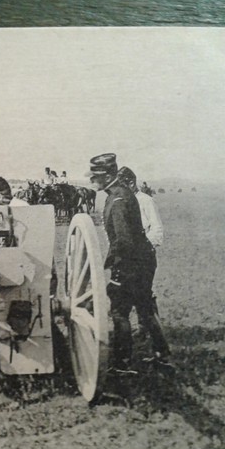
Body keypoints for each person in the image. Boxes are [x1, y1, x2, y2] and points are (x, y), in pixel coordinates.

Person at [86, 153, 172, 375]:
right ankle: (163, 355)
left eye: (95, 177)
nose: (91, 181)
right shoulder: (119, 194)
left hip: (130, 263)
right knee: (144, 307)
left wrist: (116, 271)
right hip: (142, 260)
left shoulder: (118, 200)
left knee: (119, 311)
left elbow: (124, 240)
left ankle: (123, 363)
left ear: (106, 176)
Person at [118, 166, 165, 345]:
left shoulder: (145, 201)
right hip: (126, 257)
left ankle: (154, 336)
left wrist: (143, 247)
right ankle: (142, 329)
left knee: (144, 294)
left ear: (131, 182)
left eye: (123, 186)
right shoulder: (123, 202)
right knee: (129, 293)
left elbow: (157, 229)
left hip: (144, 257)